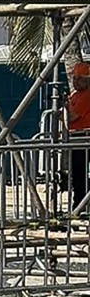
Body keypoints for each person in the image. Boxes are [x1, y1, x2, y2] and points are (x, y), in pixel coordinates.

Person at [68, 61, 90, 213]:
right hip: (76, 137)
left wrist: (63, 108)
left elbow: (72, 116)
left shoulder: (87, 95)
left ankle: (81, 207)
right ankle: (78, 205)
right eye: (74, 78)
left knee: (81, 174)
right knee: (77, 174)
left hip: (84, 136)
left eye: (78, 78)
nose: (75, 82)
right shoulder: (75, 95)